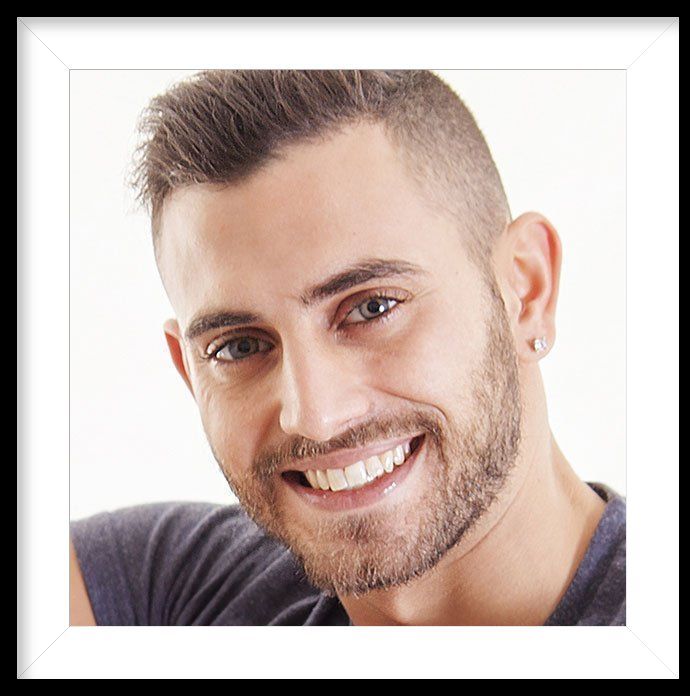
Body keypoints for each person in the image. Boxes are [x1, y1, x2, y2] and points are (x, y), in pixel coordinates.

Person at [69, 70, 625, 626]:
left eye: (372, 308)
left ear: (526, 291)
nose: (315, 417)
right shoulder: (170, 592)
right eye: (239, 347)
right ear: (190, 374)